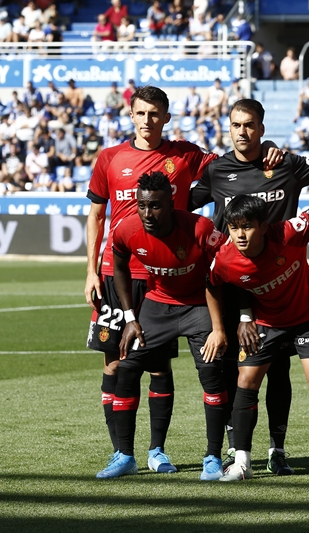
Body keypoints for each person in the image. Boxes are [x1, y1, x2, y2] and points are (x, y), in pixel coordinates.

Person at [189, 98, 309, 477]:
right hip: (237, 283)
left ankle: (278, 447)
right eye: (236, 125)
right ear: (229, 128)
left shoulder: (284, 163)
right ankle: (234, 448)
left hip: (284, 282)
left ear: (261, 128)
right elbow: (182, 202)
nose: (243, 132)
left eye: (250, 125)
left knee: (280, 372)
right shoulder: (217, 170)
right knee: (235, 370)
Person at [85, 86, 219, 474]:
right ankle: (120, 453)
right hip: (117, 272)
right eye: (141, 113)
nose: (147, 121)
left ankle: (156, 450)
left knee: (159, 367)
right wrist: (91, 269)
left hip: (165, 279)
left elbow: (228, 167)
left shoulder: (187, 154)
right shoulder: (110, 158)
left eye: (155, 113)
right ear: (131, 115)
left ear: (166, 117)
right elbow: (96, 216)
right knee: (115, 364)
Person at [96, 171, 227, 480]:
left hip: (198, 304)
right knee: (127, 368)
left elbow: (222, 272)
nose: (147, 213)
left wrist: (221, 326)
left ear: (171, 203)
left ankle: (213, 457)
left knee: (211, 373)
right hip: (158, 303)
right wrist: (130, 318)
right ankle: (125, 456)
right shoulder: (126, 229)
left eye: (154, 206)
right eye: (142, 205)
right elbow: (119, 269)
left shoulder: (200, 228)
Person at [206, 195, 309, 483]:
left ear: (263, 226)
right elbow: (211, 286)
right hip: (267, 322)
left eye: (247, 227)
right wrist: (221, 327)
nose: (240, 234)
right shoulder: (226, 258)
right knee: (246, 380)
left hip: (307, 316)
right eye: (234, 227)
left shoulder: (289, 233)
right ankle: (242, 463)